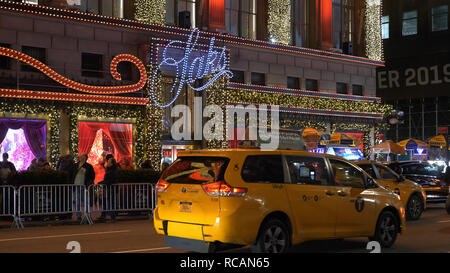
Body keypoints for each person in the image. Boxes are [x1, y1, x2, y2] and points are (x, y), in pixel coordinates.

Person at [73, 154, 95, 220]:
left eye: (83, 157)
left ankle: (87, 214)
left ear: (85, 158)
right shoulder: (75, 165)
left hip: (84, 185)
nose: (81, 158)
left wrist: (88, 181)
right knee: (77, 201)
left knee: (86, 201)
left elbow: (92, 176)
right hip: (76, 185)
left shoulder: (88, 166)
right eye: (80, 157)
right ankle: (78, 215)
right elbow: (72, 173)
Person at [98, 156, 119, 221]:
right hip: (108, 187)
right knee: (106, 201)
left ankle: (112, 216)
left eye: (109, 162)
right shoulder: (111, 169)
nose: (107, 163)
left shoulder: (112, 170)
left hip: (109, 188)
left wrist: (101, 183)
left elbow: (109, 180)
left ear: (111, 163)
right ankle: (105, 215)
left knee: (110, 202)